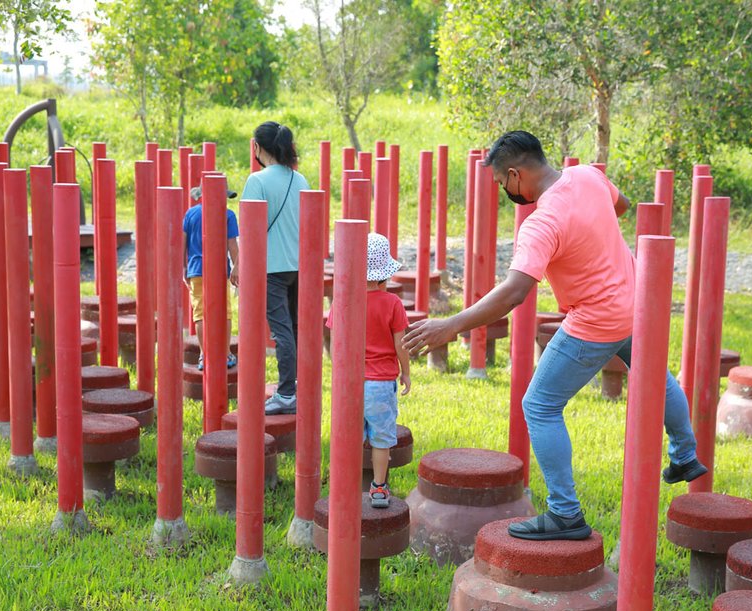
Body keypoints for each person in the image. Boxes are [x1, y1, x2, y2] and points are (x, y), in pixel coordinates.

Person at [403, 130, 707, 540]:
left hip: (597, 319)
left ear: (515, 175)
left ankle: (565, 513)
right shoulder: (587, 176)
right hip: (636, 302)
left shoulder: (542, 223)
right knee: (655, 376)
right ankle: (685, 453)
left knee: (540, 405)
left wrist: (449, 325)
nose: (504, 191)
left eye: (502, 183)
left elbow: (514, 292)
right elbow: (621, 205)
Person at [327, 234, 412, 508]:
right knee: (381, 438)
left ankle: (344, 484)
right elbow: (401, 344)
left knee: (349, 438)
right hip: (381, 384)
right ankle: (378, 487)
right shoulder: (393, 304)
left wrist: (340, 372)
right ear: (384, 272)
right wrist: (406, 372)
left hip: (350, 382)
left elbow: (334, 342)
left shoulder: (342, 300)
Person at [243, 121, 310, 415]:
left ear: (257, 147)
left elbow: (249, 232)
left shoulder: (256, 181)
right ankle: (298, 387)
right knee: (294, 329)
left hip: (271, 268)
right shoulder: (301, 180)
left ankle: (285, 394)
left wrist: (239, 265)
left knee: (281, 332)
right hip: (299, 266)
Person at [183, 185, 239, 370]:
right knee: (225, 311)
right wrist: (237, 267)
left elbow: (183, 243)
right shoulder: (228, 215)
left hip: (196, 270)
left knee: (199, 313)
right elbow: (232, 245)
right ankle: (226, 352)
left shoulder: (190, 214)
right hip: (220, 270)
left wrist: (183, 268)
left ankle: (203, 353)